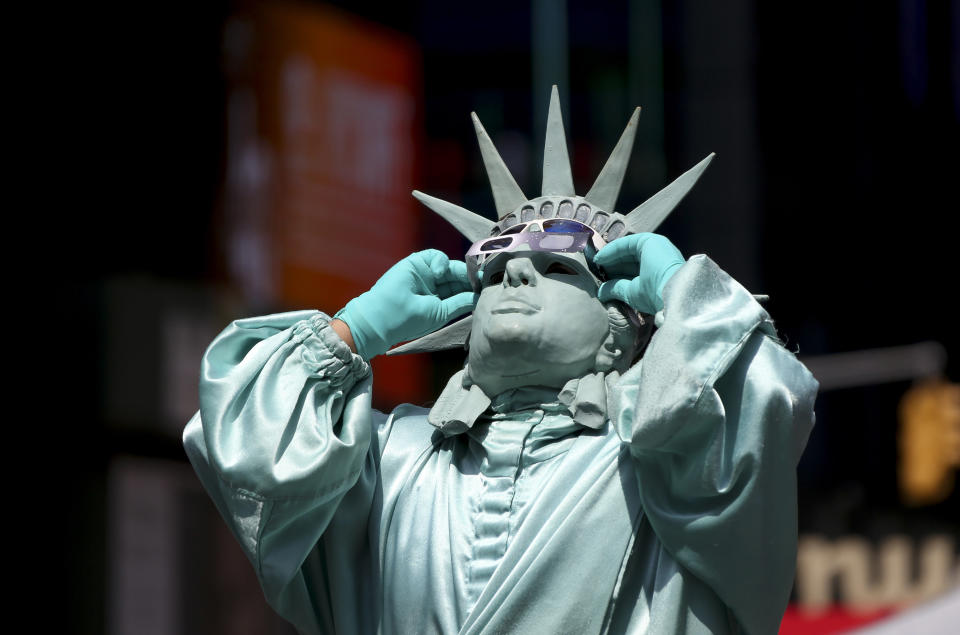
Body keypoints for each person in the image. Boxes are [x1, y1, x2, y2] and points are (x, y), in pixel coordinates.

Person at [184, 89, 818, 634]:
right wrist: (354, 331)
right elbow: (242, 450)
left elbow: (757, 404)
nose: (513, 267)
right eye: (493, 260)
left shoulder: (667, 460)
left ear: (617, 330)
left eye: (558, 264)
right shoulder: (388, 463)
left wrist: (685, 295)